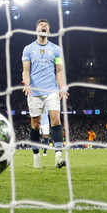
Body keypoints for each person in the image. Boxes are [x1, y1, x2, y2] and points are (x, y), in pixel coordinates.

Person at [22, 19, 69, 169]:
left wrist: (62, 87)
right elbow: (26, 71)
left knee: (55, 120)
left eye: (46, 25)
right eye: (41, 25)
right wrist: (27, 85)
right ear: (36, 30)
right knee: (35, 125)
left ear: (48, 31)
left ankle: (58, 156)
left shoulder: (56, 49)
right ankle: (36, 158)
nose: (43, 26)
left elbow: (59, 71)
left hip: (51, 90)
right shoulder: (28, 49)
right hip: (35, 92)